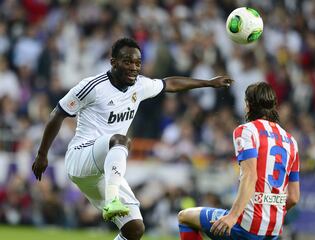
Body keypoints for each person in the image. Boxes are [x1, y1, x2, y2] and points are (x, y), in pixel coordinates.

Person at [31, 37, 233, 240]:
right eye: (127, 62)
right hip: (81, 156)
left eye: (137, 63)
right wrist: (42, 154)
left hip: (105, 172)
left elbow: (169, 84)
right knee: (120, 140)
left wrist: (208, 83)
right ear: (113, 62)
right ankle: (112, 200)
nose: (134, 68)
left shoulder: (140, 86)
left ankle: (113, 201)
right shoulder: (92, 86)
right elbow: (58, 113)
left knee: (134, 229)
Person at [178, 82, 300, 240]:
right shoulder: (291, 141)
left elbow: (250, 176)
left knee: (185, 217)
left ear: (248, 105)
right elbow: (294, 197)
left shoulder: (246, 131)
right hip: (273, 229)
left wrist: (233, 216)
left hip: (247, 226)